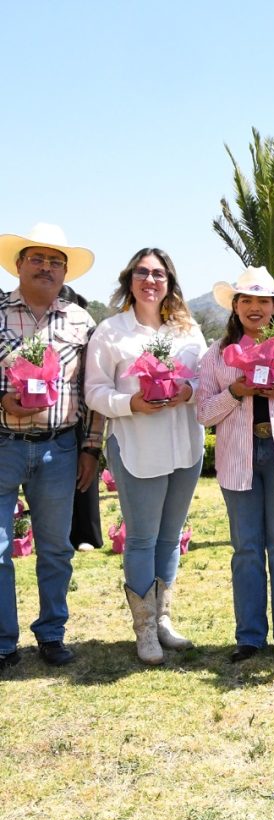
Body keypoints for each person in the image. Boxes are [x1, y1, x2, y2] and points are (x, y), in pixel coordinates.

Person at [196, 267, 274, 662]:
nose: (255, 308)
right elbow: (203, 412)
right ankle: (250, 636)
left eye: (263, 301)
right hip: (238, 459)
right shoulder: (217, 354)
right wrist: (235, 391)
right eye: (247, 300)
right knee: (246, 549)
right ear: (235, 306)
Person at [85, 248, 206, 664]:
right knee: (141, 538)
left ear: (169, 282)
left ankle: (163, 618)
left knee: (170, 537)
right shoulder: (111, 331)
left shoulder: (188, 330)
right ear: (129, 280)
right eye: (142, 272)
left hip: (185, 447)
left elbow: (205, 381)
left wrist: (188, 392)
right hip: (136, 446)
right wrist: (130, 403)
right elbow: (94, 391)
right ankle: (145, 629)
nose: (150, 280)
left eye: (158, 274)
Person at [0, 224, 102, 670]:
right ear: (19, 264)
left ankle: (51, 633)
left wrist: (91, 448)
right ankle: (3, 642)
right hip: (3, 444)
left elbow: (92, 391)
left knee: (56, 550)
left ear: (65, 271)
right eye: (37, 259)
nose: (46, 267)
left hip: (59, 449)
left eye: (55, 261)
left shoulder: (81, 321)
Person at [62, 285, 104, 552]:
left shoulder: (87, 329)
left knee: (84, 474)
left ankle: (87, 533)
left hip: (82, 413)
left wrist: (92, 444)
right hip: (51, 416)